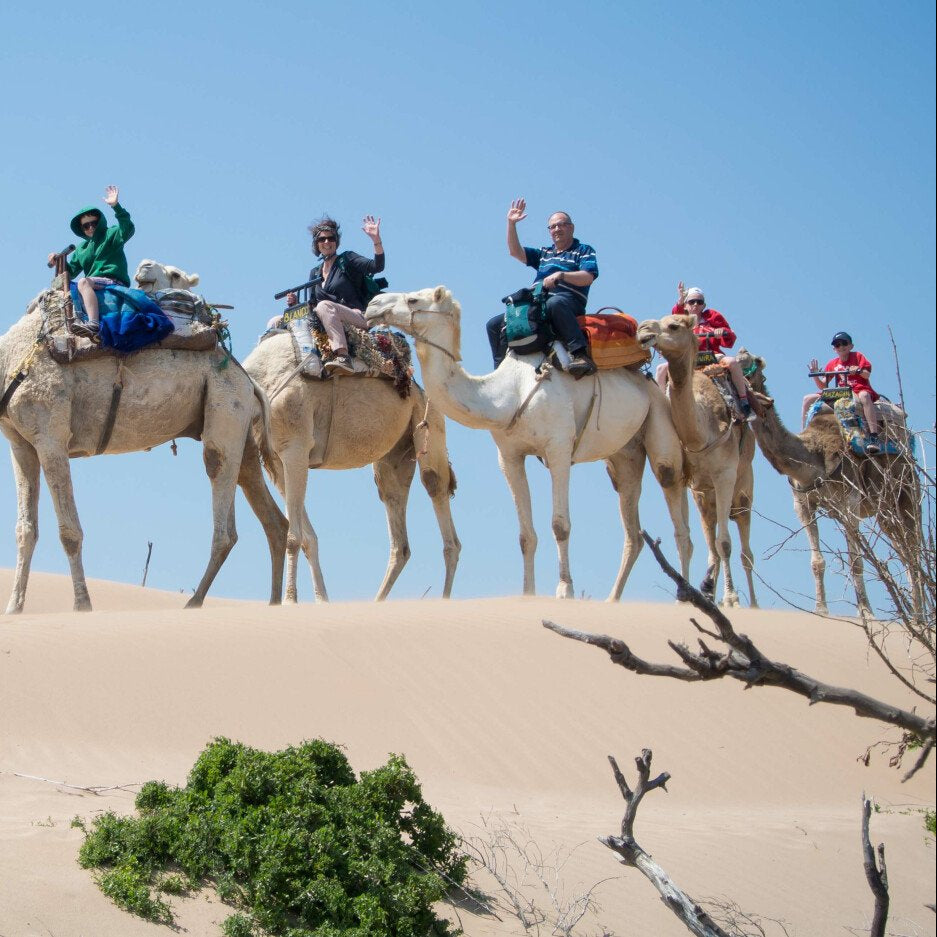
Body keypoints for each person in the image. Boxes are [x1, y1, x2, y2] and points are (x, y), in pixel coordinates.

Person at [486, 199, 597, 378]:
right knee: (494, 324)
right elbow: (516, 252)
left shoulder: (583, 250)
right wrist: (511, 224)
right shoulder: (545, 253)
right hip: (538, 302)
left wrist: (561, 276)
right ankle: (500, 373)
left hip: (567, 302)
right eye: (552, 227)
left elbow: (588, 277)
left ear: (571, 227)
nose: (556, 230)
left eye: (561, 225)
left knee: (555, 303)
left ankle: (580, 354)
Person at [283, 214, 384, 373]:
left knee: (324, 306)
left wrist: (376, 240)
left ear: (336, 241)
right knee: (276, 321)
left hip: (357, 316)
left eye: (331, 238)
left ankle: (343, 356)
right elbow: (312, 305)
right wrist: (295, 304)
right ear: (316, 245)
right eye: (322, 239)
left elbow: (377, 266)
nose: (326, 242)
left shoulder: (347, 259)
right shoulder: (315, 272)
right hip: (326, 316)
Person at [48, 185, 135, 340]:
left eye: (94, 223)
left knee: (83, 283)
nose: (90, 228)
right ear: (81, 229)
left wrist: (116, 206)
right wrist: (58, 261)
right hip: (95, 282)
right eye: (86, 225)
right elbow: (70, 271)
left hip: (113, 280)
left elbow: (127, 228)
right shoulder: (82, 249)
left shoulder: (111, 234)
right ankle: (78, 322)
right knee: (70, 290)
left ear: (100, 222)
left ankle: (93, 324)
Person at [656, 283, 753, 418]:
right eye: (691, 301)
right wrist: (680, 300)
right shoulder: (682, 322)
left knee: (732, 362)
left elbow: (729, 335)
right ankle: (661, 405)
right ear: (686, 304)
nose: (695, 305)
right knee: (661, 369)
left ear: (704, 305)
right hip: (688, 358)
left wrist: (721, 332)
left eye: (699, 302)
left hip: (711, 355)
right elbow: (672, 325)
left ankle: (744, 401)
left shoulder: (712, 318)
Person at [804, 331, 881, 453]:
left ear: (851, 345)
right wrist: (815, 375)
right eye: (837, 345)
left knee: (865, 396)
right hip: (839, 392)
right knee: (807, 398)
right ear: (834, 349)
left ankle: (873, 436)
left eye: (844, 343)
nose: (841, 347)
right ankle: (804, 435)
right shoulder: (832, 364)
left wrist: (858, 371)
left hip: (858, 389)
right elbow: (823, 385)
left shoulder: (858, 357)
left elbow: (867, 375)